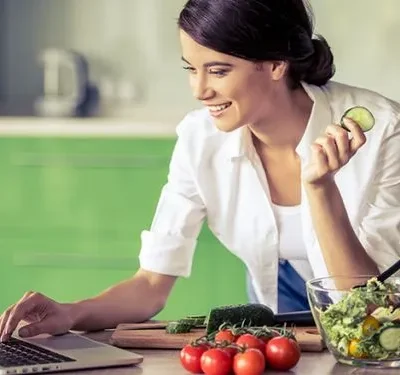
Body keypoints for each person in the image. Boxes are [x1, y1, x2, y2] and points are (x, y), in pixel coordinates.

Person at [1, 0, 399, 342]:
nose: (199, 90)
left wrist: (319, 186)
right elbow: (151, 286)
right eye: (191, 69)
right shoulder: (199, 137)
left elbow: (368, 308)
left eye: (218, 70)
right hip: (286, 320)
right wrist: (71, 314)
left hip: (379, 323)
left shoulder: (381, 129)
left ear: (276, 63)